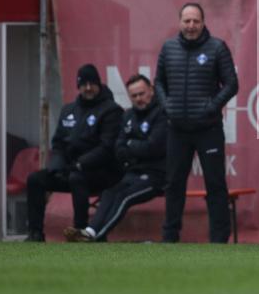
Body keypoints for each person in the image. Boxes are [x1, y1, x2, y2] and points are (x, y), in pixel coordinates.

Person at [155, 3, 239, 243]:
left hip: (208, 129)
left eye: (195, 21)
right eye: (186, 21)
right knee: (173, 184)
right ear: (179, 22)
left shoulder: (217, 48)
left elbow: (232, 84)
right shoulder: (168, 48)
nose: (191, 26)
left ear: (203, 23)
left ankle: (219, 239)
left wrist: (211, 107)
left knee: (215, 184)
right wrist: (167, 106)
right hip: (177, 129)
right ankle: (170, 237)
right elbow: (158, 82)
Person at [25, 64, 123, 242]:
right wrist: (56, 167)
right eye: (83, 84)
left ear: (99, 85)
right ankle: (35, 233)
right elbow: (59, 143)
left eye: (92, 83)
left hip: (101, 172)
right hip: (70, 169)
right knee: (35, 180)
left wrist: (80, 164)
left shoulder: (111, 110)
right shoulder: (68, 110)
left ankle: (80, 231)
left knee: (77, 178)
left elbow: (107, 148)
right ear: (78, 86)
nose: (88, 88)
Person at [63, 75, 166, 242]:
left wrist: (130, 144)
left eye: (141, 94)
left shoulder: (161, 114)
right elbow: (118, 147)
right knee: (110, 192)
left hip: (155, 175)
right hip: (132, 173)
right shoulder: (128, 116)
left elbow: (152, 147)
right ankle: (90, 231)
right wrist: (134, 147)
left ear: (151, 91)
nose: (139, 99)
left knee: (124, 197)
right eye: (134, 96)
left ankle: (95, 236)